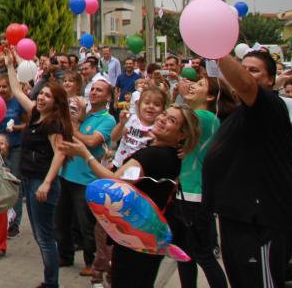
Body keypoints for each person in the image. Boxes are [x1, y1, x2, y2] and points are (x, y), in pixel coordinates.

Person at [61, 104, 200, 287]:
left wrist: (85, 155)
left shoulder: (153, 155)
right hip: (149, 238)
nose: (162, 119)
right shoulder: (172, 155)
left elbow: (115, 183)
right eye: (164, 114)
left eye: (171, 120)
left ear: (182, 134)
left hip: (134, 239)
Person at [203, 50, 292, 286]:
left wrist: (217, 48)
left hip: (261, 222)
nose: (245, 74)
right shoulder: (240, 112)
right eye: (242, 66)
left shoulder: (269, 105)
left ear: (271, 80)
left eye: (254, 70)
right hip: (236, 219)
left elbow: (245, 85)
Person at [5, 56, 72, 288]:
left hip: (41, 184)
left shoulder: (53, 123)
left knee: (45, 238)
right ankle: (49, 280)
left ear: (56, 102)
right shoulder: (35, 113)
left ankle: (51, 283)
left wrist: (46, 183)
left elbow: (60, 153)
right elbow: (16, 89)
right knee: (39, 236)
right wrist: (9, 65)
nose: (41, 98)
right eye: (41, 94)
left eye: (47, 96)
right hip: (31, 180)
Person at [169, 72, 228, 288]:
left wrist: (180, 97)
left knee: (203, 255)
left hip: (195, 195)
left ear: (211, 97)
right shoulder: (195, 115)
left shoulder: (205, 117)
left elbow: (170, 120)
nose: (193, 86)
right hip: (184, 193)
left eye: (200, 84)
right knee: (184, 255)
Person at [56, 79, 115, 276]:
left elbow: (90, 141)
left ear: (108, 97)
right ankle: (65, 255)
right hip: (67, 174)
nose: (94, 93)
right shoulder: (85, 115)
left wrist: (74, 124)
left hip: (86, 180)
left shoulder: (107, 119)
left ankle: (91, 262)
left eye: (100, 90)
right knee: (62, 220)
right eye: (93, 89)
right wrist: (79, 119)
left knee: (86, 224)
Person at [0, 72, 26, 237]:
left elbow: (28, 123)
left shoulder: (18, 103)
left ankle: (14, 223)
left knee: (14, 184)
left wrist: (16, 127)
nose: (0, 89)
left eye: (4, 86)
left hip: (15, 147)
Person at [111, 86, 166, 168]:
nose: (151, 106)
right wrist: (121, 123)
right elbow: (114, 138)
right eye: (146, 103)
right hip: (118, 164)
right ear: (139, 105)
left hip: (138, 171)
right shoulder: (131, 119)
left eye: (157, 104)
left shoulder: (158, 128)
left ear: (163, 110)